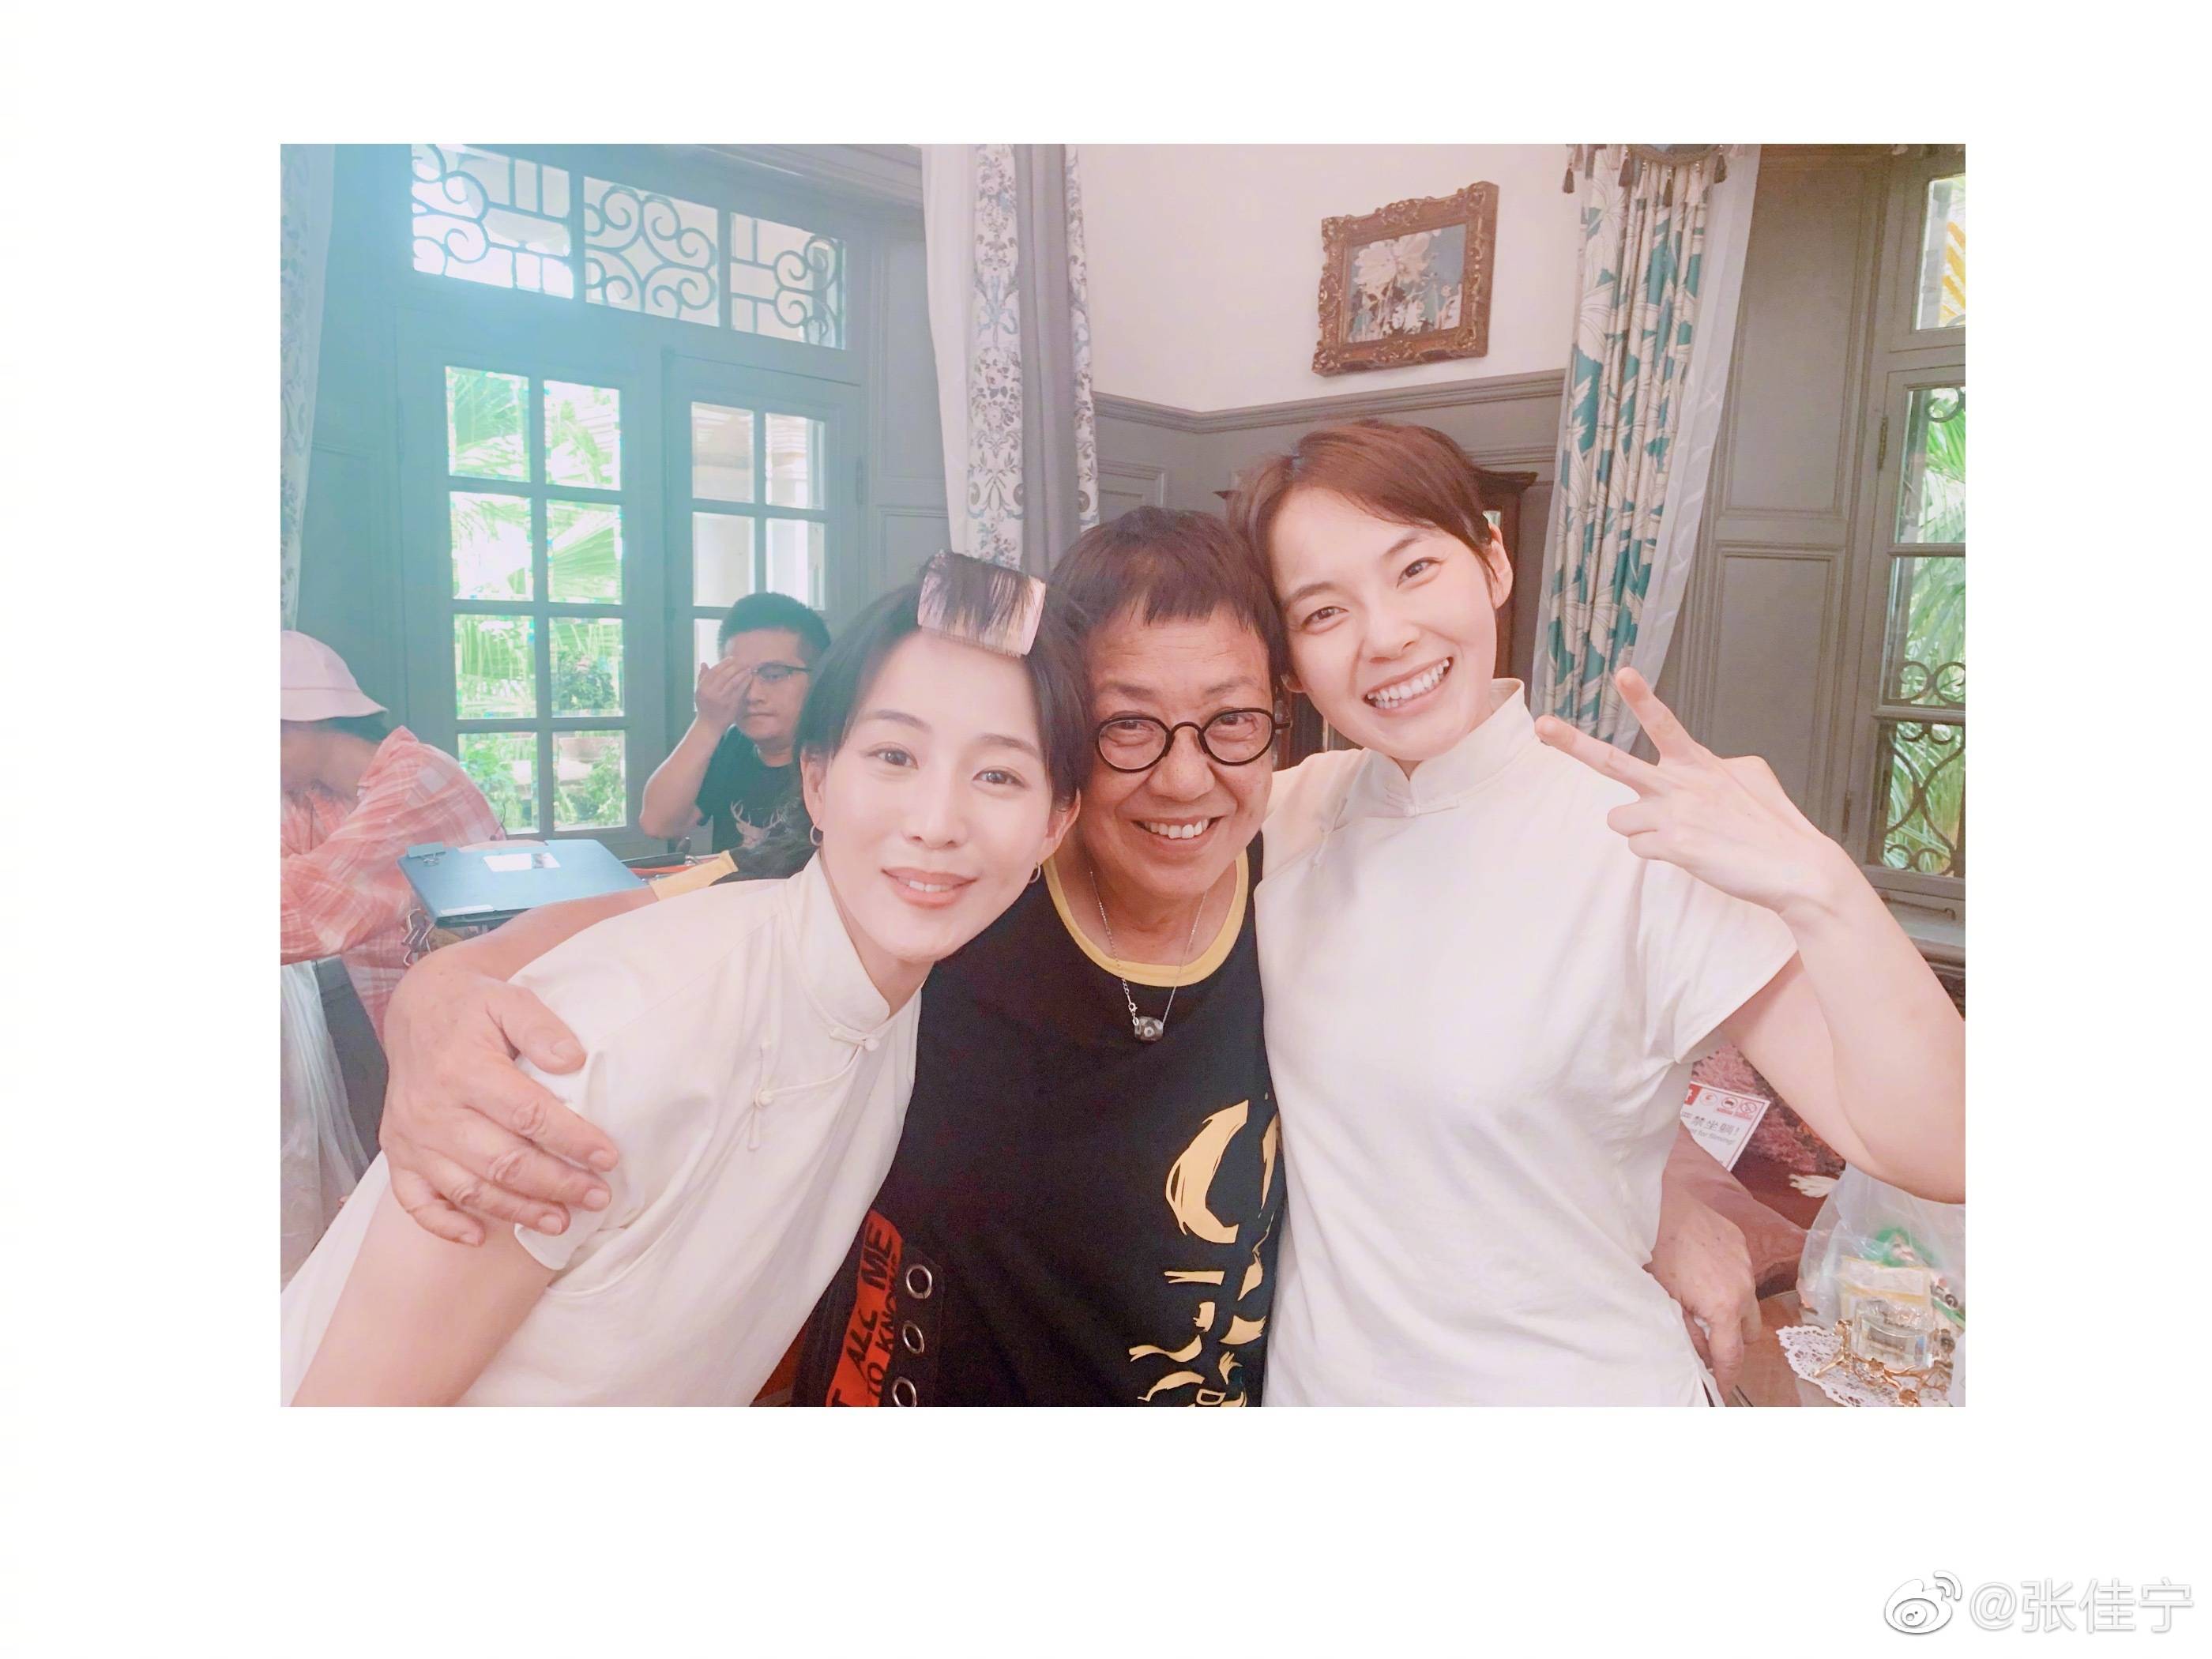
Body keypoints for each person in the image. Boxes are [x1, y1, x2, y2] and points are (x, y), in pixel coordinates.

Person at [366, 511, 1769, 1404]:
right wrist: (442, 996)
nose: (1183, 778)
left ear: (1277, 725)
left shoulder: (1295, 859)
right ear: (1060, 752)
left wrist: (1662, 1196)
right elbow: (680, 910)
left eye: (1230, 722)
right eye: (1123, 727)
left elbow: (1485, 1041)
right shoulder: (963, 893)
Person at [1228, 419, 1966, 1405]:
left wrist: (1822, 886)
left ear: (1493, 562)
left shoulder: (1641, 834)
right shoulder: (1280, 819)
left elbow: (1945, 1148)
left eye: (1414, 569)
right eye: (1323, 612)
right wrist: (1669, 1198)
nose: (1386, 635)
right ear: (1287, 661)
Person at [280, 556, 1085, 1404]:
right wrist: (446, 978)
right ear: (816, 781)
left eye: (999, 775)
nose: (936, 823)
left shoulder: (899, 992)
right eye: (894, 755)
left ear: (1055, 823)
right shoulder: (605, 1049)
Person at [280, 630, 503, 1042]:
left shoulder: (419, 780)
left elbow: (307, 905)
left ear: (299, 722)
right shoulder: (307, 797)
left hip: (493, 1015)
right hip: (414, 1024)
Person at [640, 592, 829, 852]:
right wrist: (707, 724)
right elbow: (659, 824)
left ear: (820, 677)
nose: (752, 695)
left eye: (773, 675)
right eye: (738, 678)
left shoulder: (839, 758)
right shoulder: (734, 745)